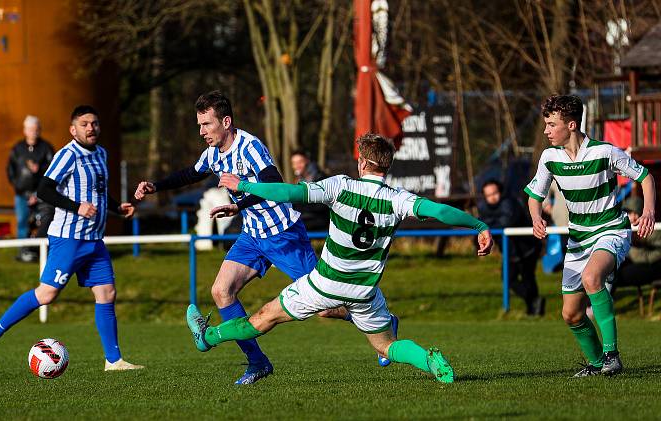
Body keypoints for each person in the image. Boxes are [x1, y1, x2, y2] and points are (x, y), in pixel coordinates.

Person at [185, 133, 493, 384]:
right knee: (386, 346)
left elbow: (289, 194)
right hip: (365, 293)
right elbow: (440, 211)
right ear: (386, 166)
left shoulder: (341, 186)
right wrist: (478, 225)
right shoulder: (399, 199)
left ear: (362, 163)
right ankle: (427, 360)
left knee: (262, 319)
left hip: (324, 285)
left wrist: (245, 186)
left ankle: (208, 336)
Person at [134, 90, 317, 385]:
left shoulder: (251, 147)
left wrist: (238, 202)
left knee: (327, 305)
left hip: (284, 234)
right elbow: (190, 175)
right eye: (199, 125)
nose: (202, 131)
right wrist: (155, 186)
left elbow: (273, 182)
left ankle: (379, 323)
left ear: (226, 121)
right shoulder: (212, 154)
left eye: (206, 124)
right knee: (221, 291)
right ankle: (257, 363)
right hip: (252, 236)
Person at [0, 105, 144, 371]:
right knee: (46, 294)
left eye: (95, 123)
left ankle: (113, 361)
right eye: (84, 124)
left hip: (94, 240)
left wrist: (116, 207)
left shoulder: (101, 153)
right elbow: (44, 190)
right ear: (73, 129)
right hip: (69, 238)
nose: (91, 128)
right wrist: (76, 206)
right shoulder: (67, 155)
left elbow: (98, 192)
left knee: (107, 293)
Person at [524, 94, 656, 377]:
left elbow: (646, 177)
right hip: (578, 239)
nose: (546, 131)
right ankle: (597, 364)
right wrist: (536, 217)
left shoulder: (604, 152)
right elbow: (534, 196)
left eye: (551, 124)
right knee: (570, 315)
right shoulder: (550, 158)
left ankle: (612, 355)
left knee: (592, 277)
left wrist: (648, 212)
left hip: (611, 230)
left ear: (571, 124)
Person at [478, 179, 545, 316]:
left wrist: (488, 226)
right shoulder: (483, 208)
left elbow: (506, 222)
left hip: (526, 248)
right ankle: (534, 302)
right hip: (509, 252)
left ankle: (533, 310)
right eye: (489, 195)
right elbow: (482, 223)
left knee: (528, 278)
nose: (493, 197)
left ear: (500, 191)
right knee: (509, 279)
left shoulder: (510, 203)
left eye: (495, 192)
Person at [6, 115, 55, 262]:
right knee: (22, 222)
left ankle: (42, 253)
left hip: (42, 195)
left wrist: (39, 171)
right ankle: (23, 252)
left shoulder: (46, 148)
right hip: (22, 195)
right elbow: (10, 170)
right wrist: (20, 188)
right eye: (30, 129)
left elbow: (53, 170)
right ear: (25, 130)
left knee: (46, 223)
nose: (33, 132)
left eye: (36, 129)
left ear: (39, 130)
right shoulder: (18, 149)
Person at [613, 197, 661, 294]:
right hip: (633, 263)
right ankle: (593, 306)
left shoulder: (652, 228)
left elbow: (657, 251)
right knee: (608, 271)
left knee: (617, 276)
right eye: (630, 213)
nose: (634, 216)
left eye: (636, 213)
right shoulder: (624, 229)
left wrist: (641, 243)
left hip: (651, 266)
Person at [290, 150, 330, 231]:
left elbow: (322, 205)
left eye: (300, 162)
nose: (297, 166)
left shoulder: (320, 179)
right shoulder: (298, 180)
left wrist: (301, 206)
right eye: (294, 163)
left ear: (307, 161)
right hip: (305, 217)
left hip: (319, 219)